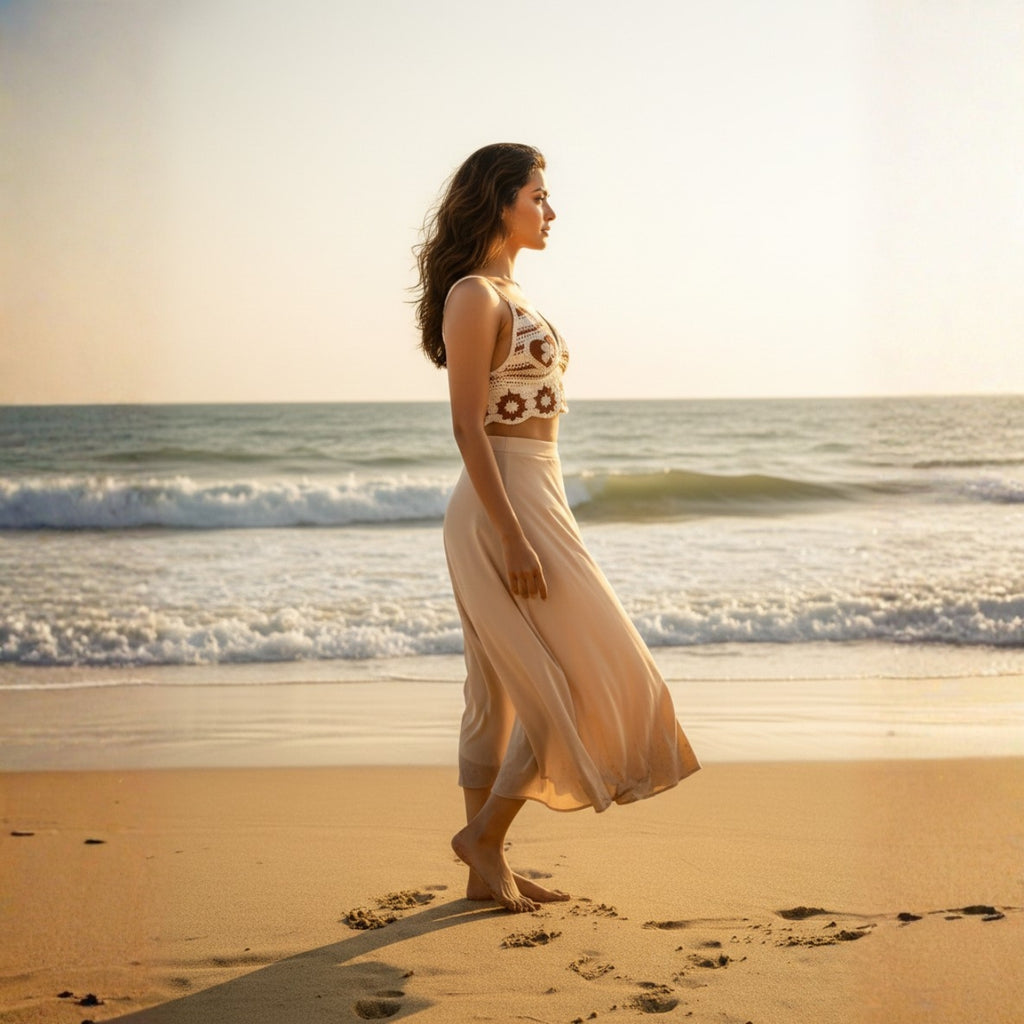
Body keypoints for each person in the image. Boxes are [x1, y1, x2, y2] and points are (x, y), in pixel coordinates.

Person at [414, 143, 700, 913]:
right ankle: (485, 841)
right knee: (565, 680)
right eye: (538, 195)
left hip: (538, 495)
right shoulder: (475, 295)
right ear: (501, 202)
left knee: (495, 693)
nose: (550, 209)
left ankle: (484, 868)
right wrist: (512, 535)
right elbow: (470, 428)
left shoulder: (510, 292)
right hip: (503, 506)